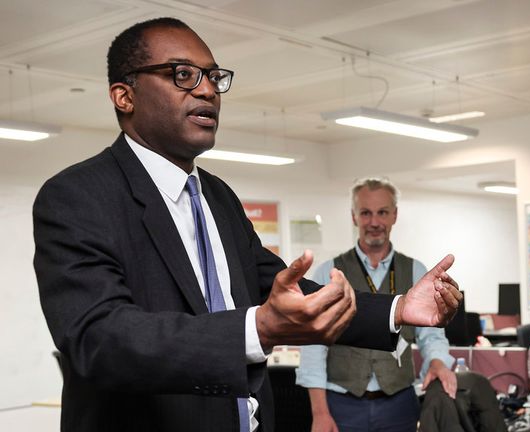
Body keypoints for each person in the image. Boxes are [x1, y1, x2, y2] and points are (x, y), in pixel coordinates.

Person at [32, 18, 462, 432]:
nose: (206, 89)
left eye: (213, 77)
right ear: (124, 96)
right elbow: (100, 339)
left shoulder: (217, 196)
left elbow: (292, 294)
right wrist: (255, 329)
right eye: (182, 74)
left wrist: (397, 308)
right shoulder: (77, 197)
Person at [297, 178, 457, 432]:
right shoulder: (328, 273)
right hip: (341, 404)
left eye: (382, 212)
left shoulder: (416, 272)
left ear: (394, 215)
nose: (374, 222)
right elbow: (313, 350)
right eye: (365, 213)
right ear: (354, 217)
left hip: (399, 403)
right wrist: (320, 413)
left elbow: (432, 337)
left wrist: (438, 361)